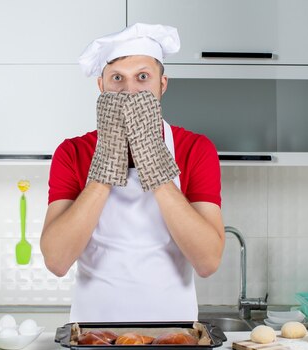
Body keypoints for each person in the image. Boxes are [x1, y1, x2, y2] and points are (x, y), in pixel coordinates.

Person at [40, 23, 225, 322]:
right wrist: (105, 166)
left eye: (142, 77)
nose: (130, 91)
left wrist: (154, 161)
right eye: (117, 78)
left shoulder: (195, 149)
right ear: (101, 86)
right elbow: (57, 261)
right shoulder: (72, 152)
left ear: (162, 85)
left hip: (174, 332)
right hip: (92, 333)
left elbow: (207, 262)